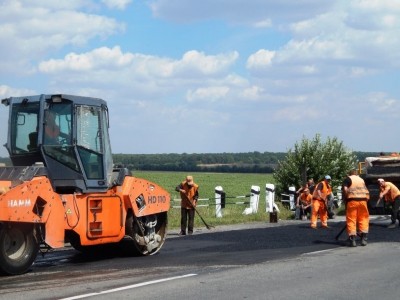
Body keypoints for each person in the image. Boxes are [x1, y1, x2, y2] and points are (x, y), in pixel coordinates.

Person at [342, 169, 370, 246]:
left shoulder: (348, 179)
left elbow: (345, 189)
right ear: (357, 174)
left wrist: (346, 198)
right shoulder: (361, 180)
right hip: (363, 201)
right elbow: (366, 191)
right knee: (363, 218)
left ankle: (352, 240)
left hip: (352, 201)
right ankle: (364, 239)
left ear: (349, 174)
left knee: (351, 219)